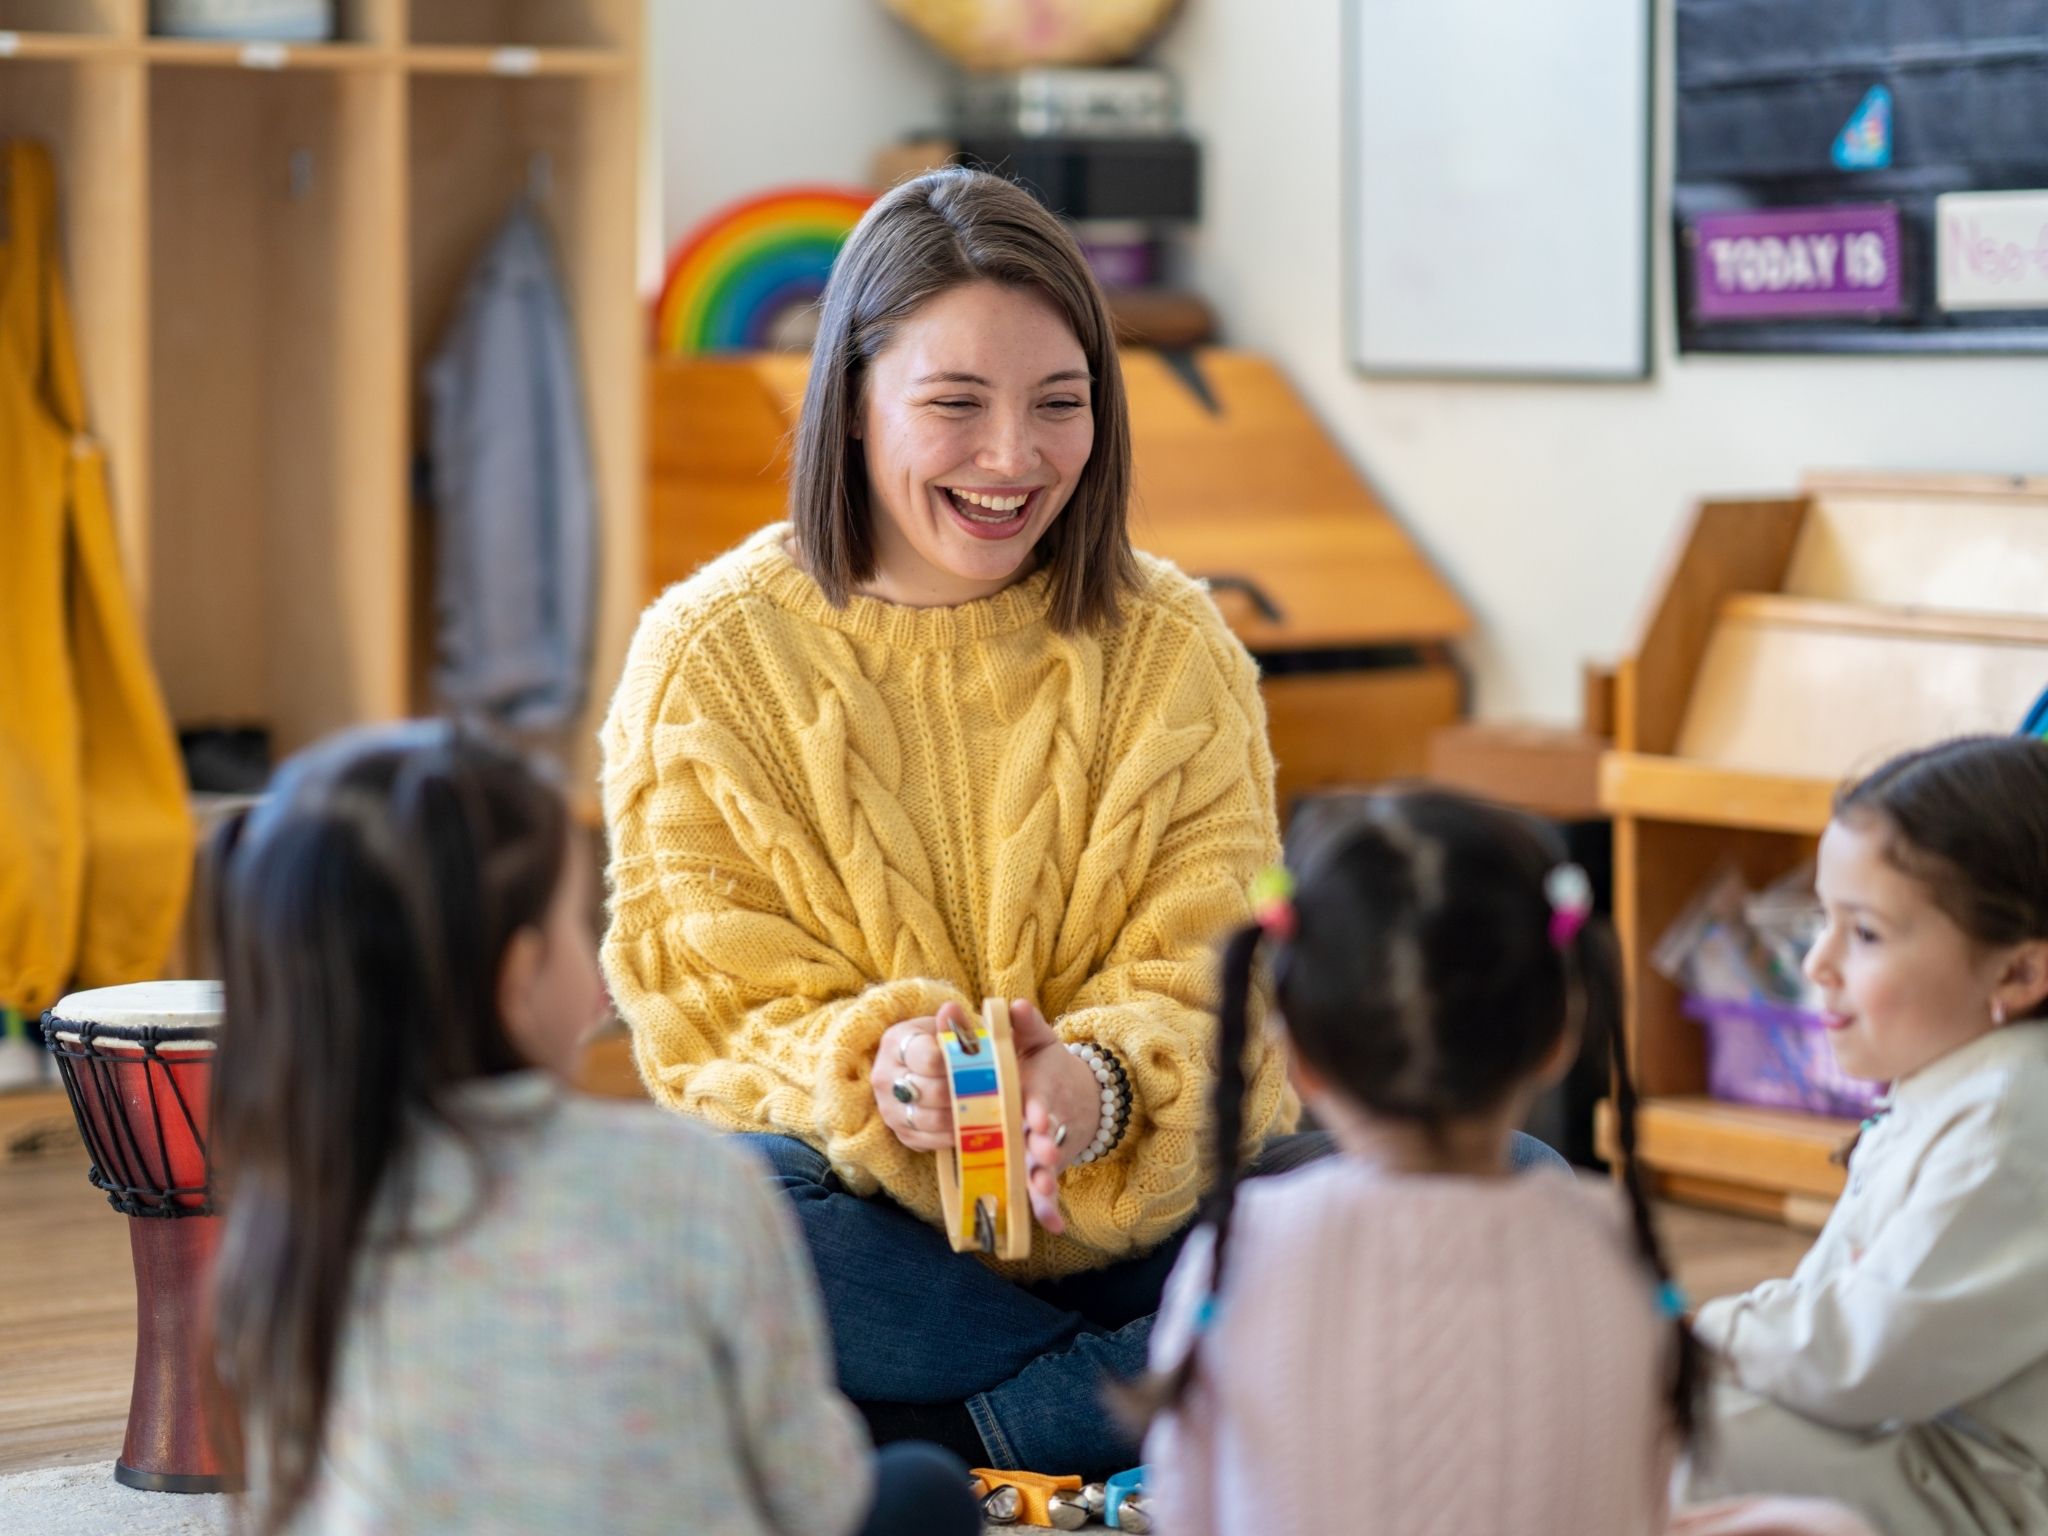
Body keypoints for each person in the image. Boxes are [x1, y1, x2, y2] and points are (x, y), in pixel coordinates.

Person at [602, 164, 1576, 1478]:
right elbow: (710, 1020)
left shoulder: (1173, 645)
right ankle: (1175, 1398)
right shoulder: (705, 656)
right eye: (955, 404)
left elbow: (1221, 980)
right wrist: (879, 1071)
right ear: (851, 403)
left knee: (1509, 1184)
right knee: (718, 1206)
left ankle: (960, 1440)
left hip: (1138, 1225)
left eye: (1059, 404)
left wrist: (1097, 1090)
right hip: (875, 1237)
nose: (1014, 458)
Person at [205, 722, 979, 1536]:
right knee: (924, 1490)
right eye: (579, 924)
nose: (602, 962)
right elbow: (815, 1495)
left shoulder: (282, 1229)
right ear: (517, 978)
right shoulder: (691, 1184)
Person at [1132, 788, 1703, 1536]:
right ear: (1560, 1032)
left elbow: (1186, 1513)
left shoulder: (1244, 1251)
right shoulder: (1622, 1249)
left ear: (1298, 1054)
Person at [1676, 736, 2048, 1534]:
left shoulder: (2011, 1113)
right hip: (1919, 1443)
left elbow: (1867, 1355)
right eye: (1825, 920)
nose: (1818, 963)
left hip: (1989, 1495)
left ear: (2018, 974)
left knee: (1671, 1439)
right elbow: (1833, 1317)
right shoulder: (1958, 1082)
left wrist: (1705, 1333)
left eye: (1867, 934)